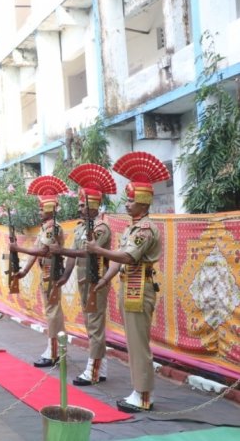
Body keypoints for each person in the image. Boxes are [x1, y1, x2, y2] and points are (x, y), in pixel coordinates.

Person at [85, 152, 170, 413]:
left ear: (143, 203)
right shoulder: (132, 228)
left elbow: (126, 255)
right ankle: (138, 390)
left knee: (138, 343)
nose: (126, 204)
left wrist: (98, 251)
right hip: (129, 286)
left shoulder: (145, 229)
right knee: (133, 342)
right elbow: (119, 262)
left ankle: (144, 395)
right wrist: (104, 280)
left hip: (139, 287)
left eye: (131, 200)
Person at [50, 163, 116, 386]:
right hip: (82, 281)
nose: (79, 209)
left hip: (96, 280)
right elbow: (73, 256)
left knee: (95, 324)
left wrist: (61, 250)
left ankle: (93, 371)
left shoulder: (101, 228)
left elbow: (86, 251)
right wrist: (65, 275)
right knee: (90, 323)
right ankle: (101, 366)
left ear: (93, 206)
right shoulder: (80, 228)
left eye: (83, 205)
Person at [10, 175, 69, 368]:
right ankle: (58, 349)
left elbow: (42, 251)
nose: (39, 210)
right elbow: (36, 251)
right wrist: (24, 271)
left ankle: (54, 352)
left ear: (50, 209)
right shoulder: (46, 228)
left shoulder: (52, 229)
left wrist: (18, 249)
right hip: (46, 272)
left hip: (51, 272)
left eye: (42, 207)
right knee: (51, 311)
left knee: (52, 312)